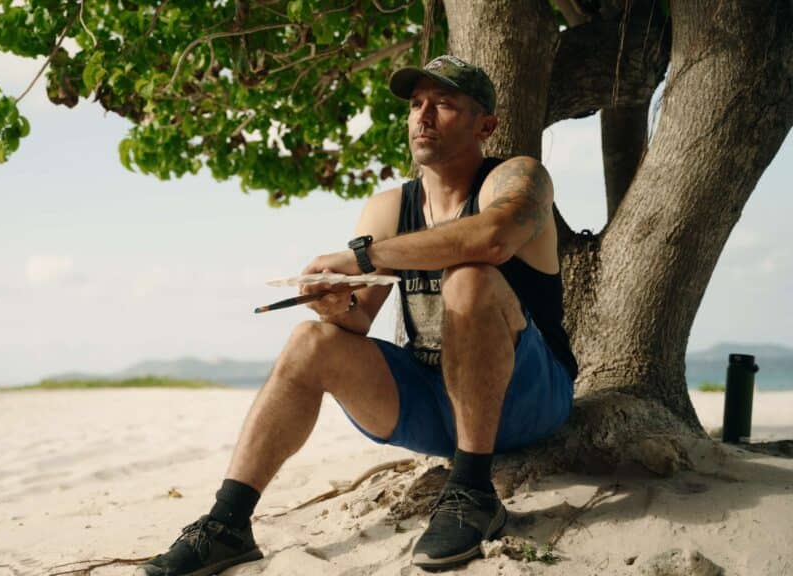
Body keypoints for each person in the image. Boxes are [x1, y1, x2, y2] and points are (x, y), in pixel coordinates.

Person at [136, 55, 578, 575]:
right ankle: (228, 522)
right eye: (416, 105)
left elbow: (494, 238)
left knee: (470, 276)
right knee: (310, 341)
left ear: (486, 125)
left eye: (444, 104)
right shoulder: (389, 208)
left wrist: (364, 258)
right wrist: (335, 305)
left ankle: (473, 492)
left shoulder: (518, 177)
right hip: (435, 404)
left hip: (530, 398)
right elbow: (357, 320)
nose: (423, 116)